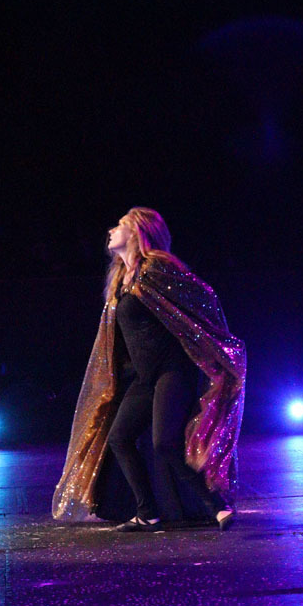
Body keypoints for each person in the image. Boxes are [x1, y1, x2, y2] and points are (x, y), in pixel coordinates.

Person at [52, 207, 246, 531]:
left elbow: (204, 297)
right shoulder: (120, 280)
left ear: (138, 232)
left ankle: (218, 505)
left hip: (173, 371)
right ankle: (147, 512)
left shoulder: (157, 269)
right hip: (144, 377)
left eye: (120, 225)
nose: (111, 230)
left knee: (164, 443)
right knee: (120, 437)